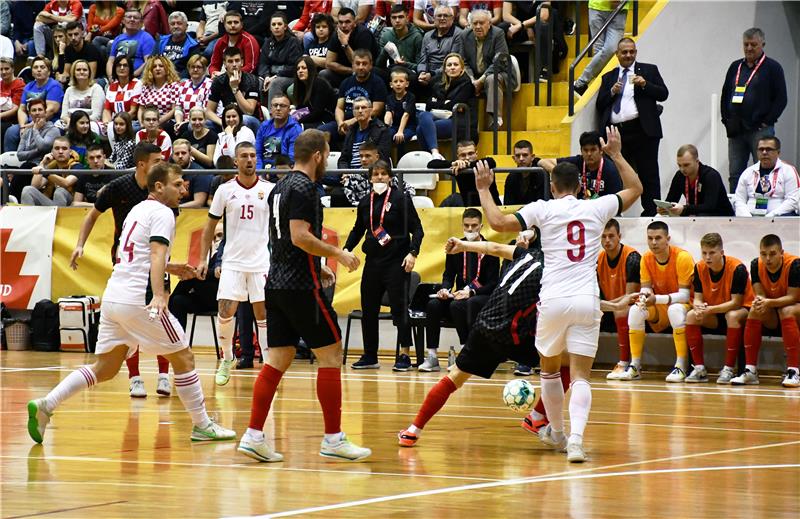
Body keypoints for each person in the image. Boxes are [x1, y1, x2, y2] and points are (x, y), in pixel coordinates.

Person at [27, 162, 237, 445]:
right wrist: (161, 294)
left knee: (106, 367)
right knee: (184, 357)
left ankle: (46, 404)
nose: (184, 188)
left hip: (114, 296)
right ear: (159, 187)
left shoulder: (137, 209)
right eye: (178, 184)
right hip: (140, 300)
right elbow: (154, 254)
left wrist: (172, 268)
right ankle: (202, 425)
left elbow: (136, 256)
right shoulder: (163, 212)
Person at [475, 125, 642, 462]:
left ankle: (559, 433)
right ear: (580, 187)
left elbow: (496, 223)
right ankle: (577, 441)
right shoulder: (596, 207)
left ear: (552, 187)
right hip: (586, 299)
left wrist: (483, 189)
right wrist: (616, 155)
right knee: (580, 375)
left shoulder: (542, 209)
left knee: (550, 370)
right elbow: (636, 188)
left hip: (552, 299)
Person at [236, 128, 371, 463]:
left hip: (276, 284)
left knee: (277, 360)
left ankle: (254, 434)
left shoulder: (279, 186)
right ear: (318, 156)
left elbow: (282, 238)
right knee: (331, 354)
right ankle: (333, 439)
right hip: (300, 287)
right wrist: (336, 255)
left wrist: (316, 263)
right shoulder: (306, 187)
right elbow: (299, 236)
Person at [398, 230, 565, 446]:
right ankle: (537, 417)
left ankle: (413, 430)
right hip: (514, 334)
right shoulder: (556, 274)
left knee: (454, 378)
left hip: (485, 324)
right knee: (565, 366)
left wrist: (463, 245)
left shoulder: (527, 255)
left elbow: (493, 248)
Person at [70, 143, 184, 398]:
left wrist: (169, 265)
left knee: (158, 314)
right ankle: (135, 378)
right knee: (157, 327)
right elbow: (91, 215)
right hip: (128, 264)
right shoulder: (119, 186)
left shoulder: (167, 194)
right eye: (157, 161)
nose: (162, 165)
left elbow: (159, 248)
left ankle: (163, 375)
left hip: (149, 263)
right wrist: (79, 245)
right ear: (142, 164)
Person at [197, 142, 273, 386]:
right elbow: (209, 227)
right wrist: (202, 258)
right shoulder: (224, 190)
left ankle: (269, 364)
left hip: (261, 261)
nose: (249, 160)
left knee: (263, 314)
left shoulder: (270, 189)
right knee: (225, 311)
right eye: (244, 156)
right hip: (232, 261)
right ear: (236, 162)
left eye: (253, 156)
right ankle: (227, 358)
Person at [344, 160, 424, 370]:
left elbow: (417, 229)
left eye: (383, 174)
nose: (379, 177)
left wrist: (413, 253)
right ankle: (370, 355)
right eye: (375, 174)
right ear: (370, 178)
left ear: (390, 177)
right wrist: (346, 249)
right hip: (373, 263)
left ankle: (405, 354)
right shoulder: (364, 202)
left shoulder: (401, 199)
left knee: (399, 309)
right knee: (368, 309)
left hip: (396, 263)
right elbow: (357, 230)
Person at [420, 208, 500, 372]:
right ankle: (432, 356)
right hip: (458, 297)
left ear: (481, 226)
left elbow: (493, 283)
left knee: (459, 305)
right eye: (466, 225)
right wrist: (445, 289)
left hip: (481, 297)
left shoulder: (489, 249)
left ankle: (466, 356)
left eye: (474, 226)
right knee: (434, 305)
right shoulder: (455, 247)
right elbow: (448, 275)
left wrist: (471, 292)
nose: (470, 229)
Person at [596, 38, 668, 216]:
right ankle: (615, 214)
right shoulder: (609, 76)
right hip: (617, 133)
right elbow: (600, 104)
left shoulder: (649, 70)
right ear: (617, 54)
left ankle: (652, 214)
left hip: (643, 130)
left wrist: (645, 84)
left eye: (632, 52)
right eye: (624, 52)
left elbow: (663, 94)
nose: (628, 55)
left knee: (648, 174)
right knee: (616, 174)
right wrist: (612, 91)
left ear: (636, 52)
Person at [620, 221, 695, 383]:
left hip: (685, 306)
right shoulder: (646, 257)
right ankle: (635, 365)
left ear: (667, 239)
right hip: (661, 306)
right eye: (650, 238)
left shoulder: (682, 257)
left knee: (674, 310)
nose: (653, 242)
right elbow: (646, 288)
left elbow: (685, 294)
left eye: (658, 238)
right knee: (635, 310)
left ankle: (682, 365)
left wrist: (658, 299)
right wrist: (644, 297)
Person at [721, 27, 787, 192]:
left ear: (762, 44)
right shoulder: (735, 67)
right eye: (746, 44)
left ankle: (763, 209)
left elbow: (781, 99)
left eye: (753, 44)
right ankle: (737, 212)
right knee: (735, 173)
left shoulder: (773, 67)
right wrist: (726, 120)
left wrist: (767, 121)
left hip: (760, 130)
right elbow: (725, 95)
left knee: (764, 171)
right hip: (736, 130)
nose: (749, 48)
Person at [683, 233, 754, 384]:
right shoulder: (699, 267)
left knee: (732, 315)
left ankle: (728, 368)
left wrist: (709, 310)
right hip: (715, 311)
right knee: (691, 315)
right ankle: (699, 369)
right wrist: (698, 306)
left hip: (742, 310)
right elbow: (697, 297)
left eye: (712, 253)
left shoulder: (737, 268)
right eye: (704, 253)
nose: (707, 257)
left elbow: (736, 302)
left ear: (722, 253)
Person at [732, 234, 800, 388]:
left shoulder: (795, 264)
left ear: (781, 252)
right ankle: (750, 371)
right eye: (763, 254)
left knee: (786, 310)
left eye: (772, 254)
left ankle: (794, 370)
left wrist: (769, 302)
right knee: (754, 310)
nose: (767, 259)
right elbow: (760, 294)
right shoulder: (756, 264)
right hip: (775, 309)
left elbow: (793, 297)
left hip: (795, 308)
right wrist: (762, 302)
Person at [597, 218, 641, 380]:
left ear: (619, 236)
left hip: (635, 306)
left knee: (621, 310)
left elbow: (629, 298)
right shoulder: (598, 259)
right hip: (610, 306)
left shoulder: (632, 258)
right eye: (603, 237)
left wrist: (605, 306)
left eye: (611, 236)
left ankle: (624, 362)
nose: (607, 240)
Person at [462, 9, 515, 128]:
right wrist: (471, 79)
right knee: (461, 80)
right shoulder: (464, 35)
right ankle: (466, 125)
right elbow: (462, 61)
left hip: (500, 73)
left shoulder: (498, 33)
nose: (478, 26)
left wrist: (481, 80)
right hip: (474, 76)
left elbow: (500, 61)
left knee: (491, 79)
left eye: (481, 23)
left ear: (489, 23)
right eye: (475, 23)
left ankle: (495, 118)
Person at [323, 49, 387, 144]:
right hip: (346, 121)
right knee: (322, 132)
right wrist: (340, 123)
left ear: (370, 65)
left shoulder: (378, 83)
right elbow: (339, 108)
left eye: (364, 64)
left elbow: (376, 110)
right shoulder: (346, 82)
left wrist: (353, 121)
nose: (361, 67)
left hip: (367, 123)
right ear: (353, 65)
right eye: (357, 63)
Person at [169, 221, 224, 330]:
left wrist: (195, 273)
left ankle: (166, 308)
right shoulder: (211, 255)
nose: (217, 240)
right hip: (208, 298)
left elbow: (221, 273)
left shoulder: (231, 252)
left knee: (192, 276)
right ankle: (178, 342)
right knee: (178, 300)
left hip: (225, 299)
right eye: (213, 237)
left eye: (220, 235)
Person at [540, 131, 622, 201]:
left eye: (593, 150)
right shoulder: (577, 161)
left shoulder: (611, 170)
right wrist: (562, 174)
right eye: (585, 150)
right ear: (581, 150)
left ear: (601, 150)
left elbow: (616, 199)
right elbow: (542, 162)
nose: (589, 154)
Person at [4, 56, 63, 153]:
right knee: (11, 132)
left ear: (48, 71)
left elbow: (51, 110)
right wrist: (23, 126)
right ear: (32, 72)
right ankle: (9, 164)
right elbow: (22, 109)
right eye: (36, 67)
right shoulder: (28, 86)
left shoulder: (54, 85)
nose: (39, 70)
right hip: (29, 123)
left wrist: (31, 126)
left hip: (48, 123)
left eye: (42, 67)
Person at [733, 136, 799, 217]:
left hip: (780, 217)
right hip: (751, 218)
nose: (764, 152)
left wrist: (771, 216)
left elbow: (793, 201)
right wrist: (747, 218)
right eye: (761, 149)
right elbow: (739, 199)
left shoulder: (788, 171)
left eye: (769, 149)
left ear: (778, 152)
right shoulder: (748, 172)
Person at [660, 144, 734, 217]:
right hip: (697, 215)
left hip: (721, 216)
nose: (682, 169)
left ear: (697, 161)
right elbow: (671, 200)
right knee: (662, 217)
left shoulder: (711, 175)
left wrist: (684, 209)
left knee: (702, 216)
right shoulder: (680, 176)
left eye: (686, 165)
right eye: (679, 165)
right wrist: (664, 208)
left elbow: (709, 206)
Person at [572, 0, 627, 96]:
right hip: (596, 6)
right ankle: (604, 90)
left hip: (619, 7)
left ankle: (580, 82)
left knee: (611, 49)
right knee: (599, 51)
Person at [206, 46, 262, 135]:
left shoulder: (252, 80)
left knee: (245, 120)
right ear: (224, 64)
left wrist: (235, 88)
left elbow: (249, 111)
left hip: (251, 120)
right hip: (229, 119)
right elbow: (209, 111)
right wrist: (223, 123)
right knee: (204, 124)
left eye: (237, 60)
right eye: (230, 61)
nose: (234, 64)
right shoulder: (219, 81)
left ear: (242, 62)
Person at [384, 68, 440, 156]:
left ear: (407, 84)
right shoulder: (389, 98)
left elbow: (406, 115)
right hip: (395, 126)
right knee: (385, 135)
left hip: (409, 127)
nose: (398, 84)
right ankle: (387, 161)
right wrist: (385, 127)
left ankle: (400, 165)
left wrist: (400, 131)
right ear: (391, 84)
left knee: (400, 138)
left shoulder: (410, 97)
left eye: (401, 81)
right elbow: (388, 113)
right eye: (395, 81)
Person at [427, 140, 500, 206]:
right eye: (463, 155)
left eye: (470, 153)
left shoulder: (482, 164)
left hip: (493, 207)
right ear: (458, 156)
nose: (467, 157)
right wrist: (452, 163)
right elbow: (431, 164)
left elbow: (491, 161)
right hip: (471, 211)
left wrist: (467, 165)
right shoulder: (457, 168)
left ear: (476, 153)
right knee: (454, 198)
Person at [321, 7, 379, 88]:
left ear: (355, 22)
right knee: (324, 74)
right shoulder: (336, 35)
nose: (343, 26)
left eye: (347, 22)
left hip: (367, 73)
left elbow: (360, 63)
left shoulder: (364, 34)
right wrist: (352, 71)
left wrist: (345, 45)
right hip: (347, 72)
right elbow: (329, 63)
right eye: (340, 22)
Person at [428, 53, 477, 143]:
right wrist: (445, 103)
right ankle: (432, 154)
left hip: (459, 123)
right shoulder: (439, 84)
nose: (452, 67)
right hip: (441, 118)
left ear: (462, 68)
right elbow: (429, 105)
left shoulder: (467, 85)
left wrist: (439, 103)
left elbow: (453, 105)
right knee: (423, 117)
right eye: (449, 65)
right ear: (445, 69)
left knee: (426, 126)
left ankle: (433, 153)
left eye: (456, 64)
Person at [21, 136, 81, 206]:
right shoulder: (50, 167)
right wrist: (42, 164)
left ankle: (59, 217)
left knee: (60, 191)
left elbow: (66, 183)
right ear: (52, 152)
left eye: (64, 149)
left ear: (70, 152)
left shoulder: (77, 166)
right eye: (57, 148)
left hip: (71, 207)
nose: (60, 152)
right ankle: (31, 216)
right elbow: (35, 186)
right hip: (52, 205)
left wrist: (46, 172)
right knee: (27, 190)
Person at [257, 11, 303, 103]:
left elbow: (293, 66)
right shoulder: (267, 42)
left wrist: (276, 76)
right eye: (273, 24)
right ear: (270, 28)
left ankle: (272, 114)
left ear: (285, 27)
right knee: (258, 82)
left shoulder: (293, 42)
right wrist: (266, 76)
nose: (276, 27)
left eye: (279, 24)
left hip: (289, 76)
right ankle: (261, 113)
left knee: (275, 83)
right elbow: (263, 63)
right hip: (270, 76)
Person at [337, 97, 391, 169]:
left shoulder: (382, 130)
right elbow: (343, 159)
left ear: (371, 110)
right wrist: (344, 173)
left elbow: (382, 159)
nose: (360, 111)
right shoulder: (351, 131)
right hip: (349, 174)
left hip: (371, 173)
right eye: (357, 108)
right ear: (353, 112)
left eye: (363, 107)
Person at [255, 93, 303, 169]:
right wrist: (259, 172)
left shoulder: (295, 130)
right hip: (264, 171)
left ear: (289, 110)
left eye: (282, 106)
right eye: (275, 105)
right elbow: (258, 153)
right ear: (270, 109)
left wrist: (271, 172)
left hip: (284, 172)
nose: (278, 108)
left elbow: (292, 159)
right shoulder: (264, 126)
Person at [376, 5, 423, 81]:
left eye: (400, 17)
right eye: (394, 18)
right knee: (374, 71)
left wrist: (405, 64)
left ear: (407, 18)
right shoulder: (386, 35)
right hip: (392, 71)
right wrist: (385, 51)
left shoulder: (417, 36)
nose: (397, 20)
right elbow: (379, 65)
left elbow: (420, 66)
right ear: (390, 20)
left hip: (410, 73)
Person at [106, 8, 156, 79]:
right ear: (123, 20)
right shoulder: (118, 38)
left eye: (135, 18)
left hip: (137, 78)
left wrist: (132, 75)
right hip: (117, 77)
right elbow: (110, 61)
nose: (132, 19)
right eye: (129, 17)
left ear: (141, 22)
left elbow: (149, 62)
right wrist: (111, 77)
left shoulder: (147, 38)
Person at [208, 10, 260, 77]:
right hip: (225, 77)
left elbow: (251, 67)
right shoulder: (220, 42)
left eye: (236, 22)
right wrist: (213, 73)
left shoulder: (249, 41)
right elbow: (214, 65)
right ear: (224, 25)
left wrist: (228, 76)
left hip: (246, 79)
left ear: (241, 25)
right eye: (229, 23)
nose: (232, 25)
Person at [288, 56, 335, 129]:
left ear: (310, 69)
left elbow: (317, 112)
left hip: (325, 120)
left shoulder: (320, 84)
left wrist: (296, 120)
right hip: (312, 119)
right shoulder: (301, 86)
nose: (300, 71)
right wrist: (292, 117)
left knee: (293, 127)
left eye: (304, 68)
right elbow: (303, 109)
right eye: (298, 69)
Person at [60, 60, 104, 134]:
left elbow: (96, 115)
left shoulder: (96, 88)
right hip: (71, 121)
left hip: (90, 122)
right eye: (78, 70)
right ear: (73, 73)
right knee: (56, 126)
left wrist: (79, 123)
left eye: (85, 70)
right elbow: (64, 115)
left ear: (89, 73)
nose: (81, 72)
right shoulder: (69, 90)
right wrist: (70, 122)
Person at [174, 55, 212, 137]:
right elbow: (178, 107)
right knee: (170, 126)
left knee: (186, 127)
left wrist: (187, 122)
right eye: (192, 67)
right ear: (188, 69)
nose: (195, 69)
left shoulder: (210, 85)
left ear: (205, 69)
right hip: (184, 121)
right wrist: (178, 122)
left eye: (199, 67)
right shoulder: (183, 85)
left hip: (201, 120)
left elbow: (206, 110)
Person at [137, 56, 179, 130]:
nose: (157, 69)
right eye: (154, 66)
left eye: (161, 66)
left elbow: (174, 109)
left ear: (167, 69)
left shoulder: (173, 86)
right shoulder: (147, 86)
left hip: (165, 122)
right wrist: (142, 123)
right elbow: (141, 108)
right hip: (147, 121)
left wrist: (157, 122)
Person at [102, 55, 141, 133]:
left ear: (130, 68)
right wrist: (107, 123)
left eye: (125, 65)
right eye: (119, 65)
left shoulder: (136, 83)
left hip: (130, 122)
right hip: (114, 123)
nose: (122, 68)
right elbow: (107, 110)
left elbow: (133, 111)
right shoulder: (112, 86)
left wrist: (117, 123)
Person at [157, 11, 199, 78]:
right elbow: (152, 60)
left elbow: (190, 68)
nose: (175, 26)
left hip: (179, 79)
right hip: (159, 76)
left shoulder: (193, 45)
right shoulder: (161, 41)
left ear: (186, 26)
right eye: (172, 24)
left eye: (179, 23)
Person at [172, 138, 212, 208]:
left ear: (190, 154)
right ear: (172, 155)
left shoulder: (199, 173)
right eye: (177, 153)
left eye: (183, 153)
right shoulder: (169, 172)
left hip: (193, 214)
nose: (180, 156)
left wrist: (174, 207)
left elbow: (198, 203)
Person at [504, 139, 545, 205]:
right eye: (517, 156)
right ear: (514, 158)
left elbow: (543, 203)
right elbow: (508, 204)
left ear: (532, 157)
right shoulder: (511, 177)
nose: (521, 159)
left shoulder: (541, 174)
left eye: (525, 155)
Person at [0, 57, 24, 147]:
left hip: (12, 121)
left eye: (6, 69)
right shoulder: (0, 84)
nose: (3, 72)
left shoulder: (19, 84)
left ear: (13, 69)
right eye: (1, 69)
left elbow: (15, 109)